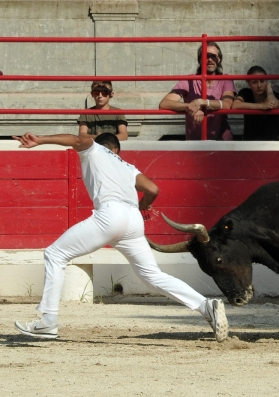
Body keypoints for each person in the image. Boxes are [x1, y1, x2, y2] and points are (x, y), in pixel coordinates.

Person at [12, 132, 228, 342]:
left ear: (101, 145)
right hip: (133, 220)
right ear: (117, 150)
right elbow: (152, 188)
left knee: (55, 253)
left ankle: (48, 321)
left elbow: (78, 139)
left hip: (110, 215)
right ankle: (206, 306)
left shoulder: (93, 149)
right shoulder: (127, 167)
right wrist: (142, 207)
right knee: (152, 275)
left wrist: (40, 140)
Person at [159, 42, 236, 140]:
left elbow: (227, 104)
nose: (210, 59)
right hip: (195, 144)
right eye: (206, 56)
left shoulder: (226, 80)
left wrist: (201, 102)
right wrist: (191, 107)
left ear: (219, 59)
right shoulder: (190, 80)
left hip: (221, 141)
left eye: (213, 56)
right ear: (200, 60)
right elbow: (164, 103)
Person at [232, 65, 279, 141]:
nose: (259, 86)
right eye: (255, 82)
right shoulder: (245, 93)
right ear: (248, 83)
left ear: (266, 81)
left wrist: (269, 88)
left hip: (272, 142)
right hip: (250, 141)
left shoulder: (276, 95)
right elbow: (234, 105)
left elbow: (274, 104)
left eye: (262, 81)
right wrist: (262, 106)